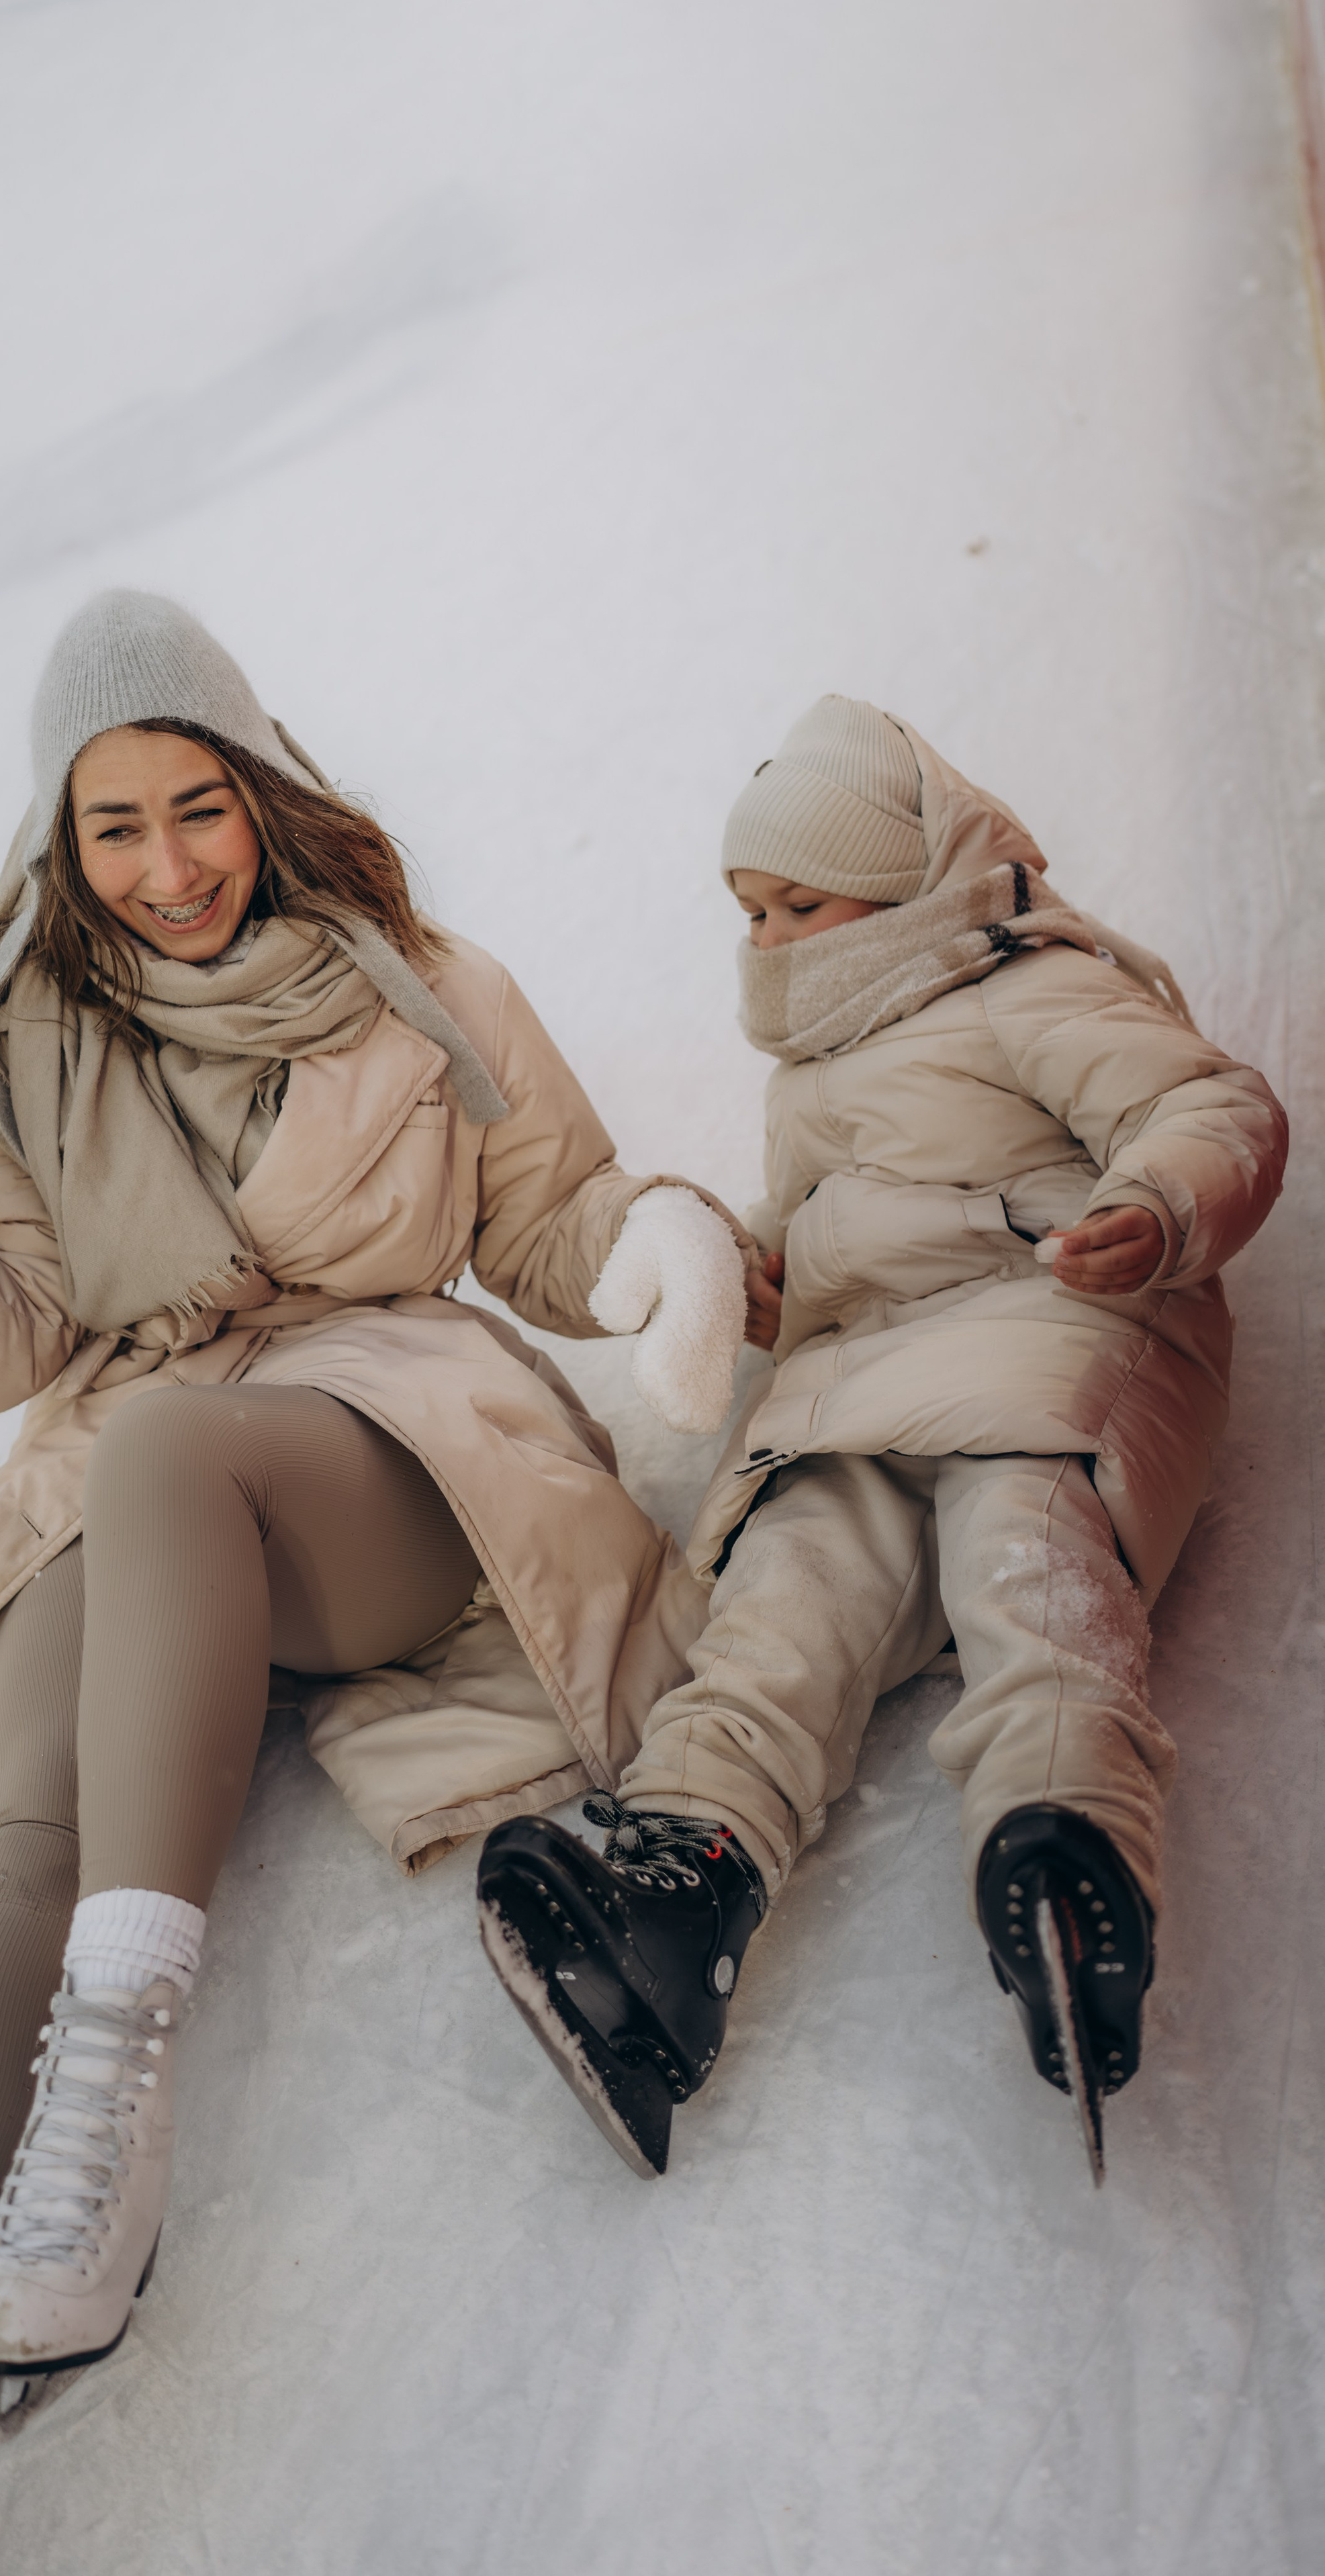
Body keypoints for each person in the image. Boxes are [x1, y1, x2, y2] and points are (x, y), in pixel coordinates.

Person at [0, 591, 753, 2571]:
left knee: (163, 1445)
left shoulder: (421, 986)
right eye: (119, 826)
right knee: (26, 1832)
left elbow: (548, 1215)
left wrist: (660, 1250)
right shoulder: (17, 1043)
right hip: (128, 1460)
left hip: (382, 1447)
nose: (172, 866)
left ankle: (117, 2103)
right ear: (63, 835)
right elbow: (4, 1348)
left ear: (261, 784)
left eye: (200, 804)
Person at [476, 694, 1287, 2184]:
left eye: (799, 903)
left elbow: (1203, 1102)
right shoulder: (804, 1077)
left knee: (1022, 1556)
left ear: (907, 882)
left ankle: (1063, 1839)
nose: (771, 939)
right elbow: (824, 1240)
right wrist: (768, 1277)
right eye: (750, 913)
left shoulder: (1026, 982)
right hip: (857, 1392)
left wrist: (1157, 1206)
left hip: (1046, 1329)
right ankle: (680, 1876)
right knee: (779, 1604)